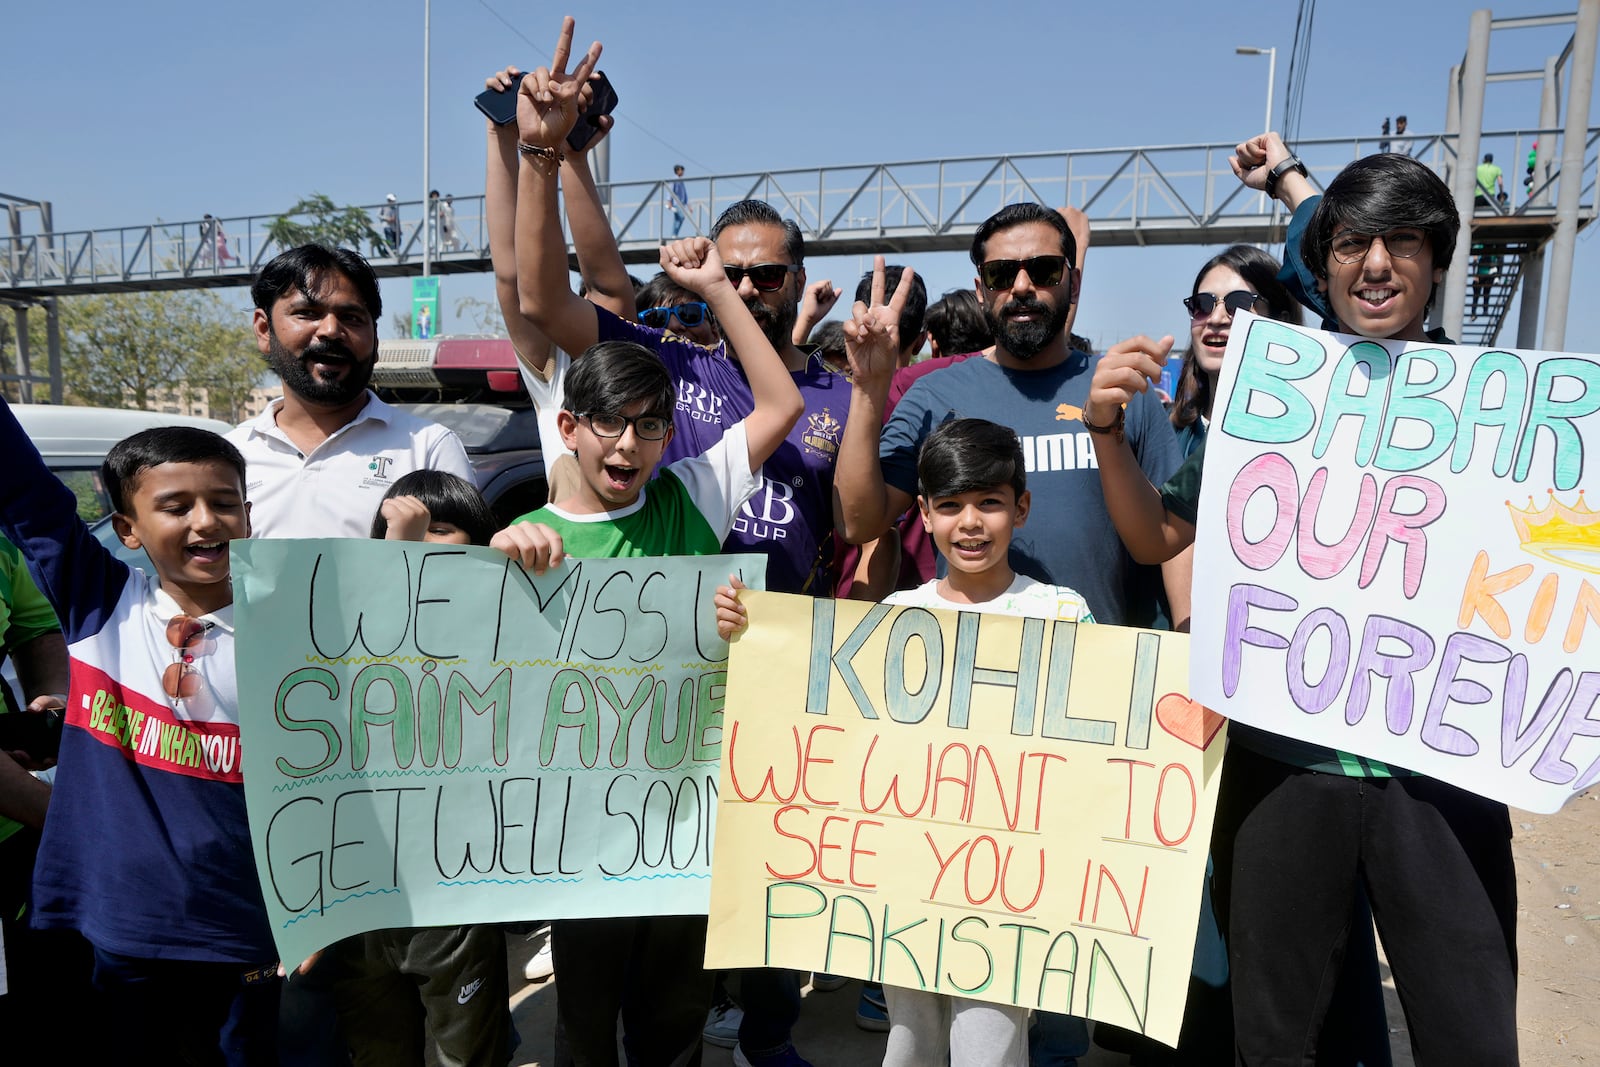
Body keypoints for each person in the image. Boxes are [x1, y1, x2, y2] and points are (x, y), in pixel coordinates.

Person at [1084, 131, 1517, 1064]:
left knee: (1470, 1035)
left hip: (1444, 775)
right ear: (1322, 264)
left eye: (1403, 242)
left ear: (1437, 261)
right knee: (1273, 1035)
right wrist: (1109, 434)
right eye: (1353, 241)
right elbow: (1161, 536)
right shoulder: (1271, 395)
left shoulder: (1508, 413)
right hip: (1284, 768)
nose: (1376, 263)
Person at [490, 228, 804, 1067]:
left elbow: (780, 406)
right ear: (569, 427)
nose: (628, 445)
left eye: (650, 426)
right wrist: (496, 568)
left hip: (685, 835)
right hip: (579, 846)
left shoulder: (692, 497)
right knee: (584, 1029)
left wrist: (716, 288)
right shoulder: (527, 542)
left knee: (673, 1027)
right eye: (609, 425)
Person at [716, 418, 1092, 1067]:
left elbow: (1106, 733)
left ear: (1021, 507)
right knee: (910, 1034)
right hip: (906, 885)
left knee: (990, 1042)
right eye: (949, 505)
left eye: (989, 502)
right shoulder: (894, 619)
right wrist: (750, 633)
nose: (970, 523)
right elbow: (818, 710)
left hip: (1008, 892)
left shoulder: (1063, 614)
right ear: (924, 511)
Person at [0, 399, 281, 1064]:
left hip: (247, 932)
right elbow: (21, 487)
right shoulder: (98, 602)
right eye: (177, 505)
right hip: (120, 934)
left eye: (224, 502)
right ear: (127, 527)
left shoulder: (294, 632)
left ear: (249, 515)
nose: (206, 520)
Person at [310, 471, 511, 1067]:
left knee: (468, 1053)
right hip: (358, 899)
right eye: (406, 533)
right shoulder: (333, 622)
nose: (422, 544)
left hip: (454, 900)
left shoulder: (495, 629)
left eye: (439, 531)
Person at [226, 244, 475, 539]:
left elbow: (461, 572)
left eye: (352, 318)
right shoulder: (230, 456)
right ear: (264, 330)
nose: (331, 330)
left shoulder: (429, 448)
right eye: (307, 313)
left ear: (376, 340)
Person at [671, 164, 689, 236]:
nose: (682, 172)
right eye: (681, 170)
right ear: (677, 171)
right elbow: (671, 191)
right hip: (677, 203)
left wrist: (688, 205)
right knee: (681, 217)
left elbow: (684, 194)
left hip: (681, 203)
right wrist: (669, 202)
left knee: (677, 219)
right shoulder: (674, 179)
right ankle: (674, 233)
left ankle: (674, 234)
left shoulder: (681, 181)